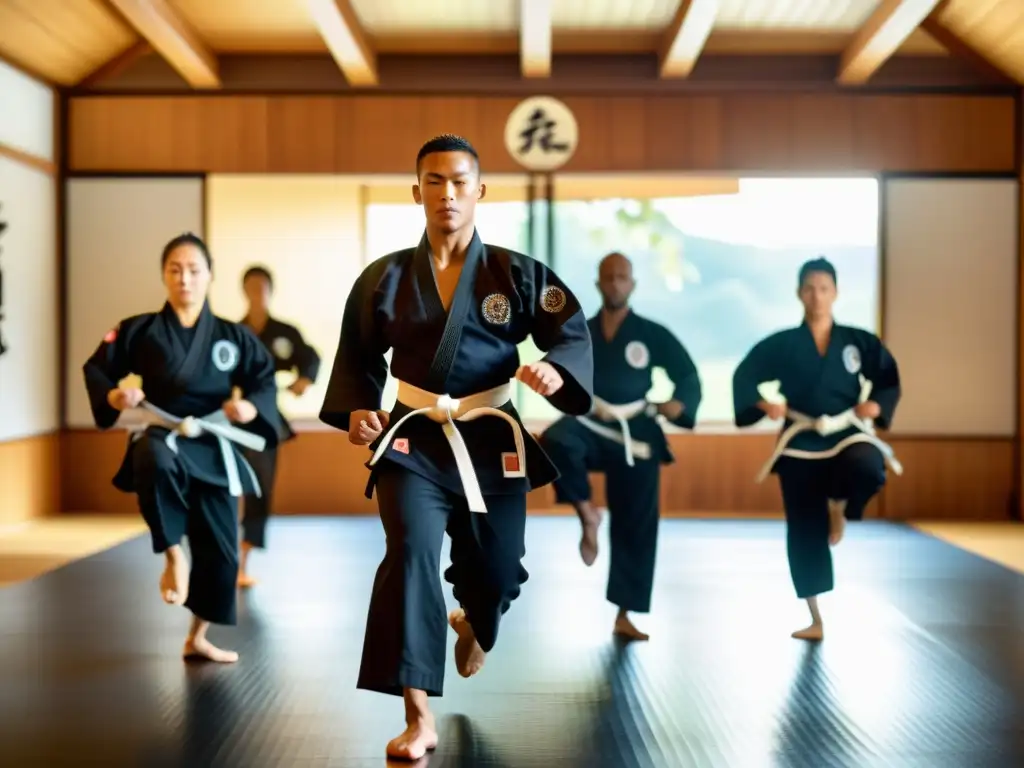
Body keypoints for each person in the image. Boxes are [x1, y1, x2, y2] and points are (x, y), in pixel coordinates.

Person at [319, 134, 593, 762]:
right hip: (413, 436)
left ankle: (477, 621)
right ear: (417, 192)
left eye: (460, 181)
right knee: (409, 553)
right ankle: (419, 715)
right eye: (435, 181)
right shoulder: (383, 277)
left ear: (480, 191)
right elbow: (357, 360)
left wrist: (556, 370)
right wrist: (361, 408)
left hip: (492, 434)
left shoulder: (516, 273)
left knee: (497, 572)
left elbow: (567, 329)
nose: (447, 193)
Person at [82, 232, 281, 663]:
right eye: (175, 270)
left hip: (212, 441)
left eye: (193, 270)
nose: (184, 279)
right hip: (163, 433)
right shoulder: (139, 330)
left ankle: (198, 636)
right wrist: (117, 397)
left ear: (209, 276)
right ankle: (173, 553)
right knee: (151, 458)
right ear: (163, 276)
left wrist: (248, 405)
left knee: (223, 549)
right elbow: (99, 369)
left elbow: (263, 378)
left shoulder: (232, 335)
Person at [732, 257, 902, 641]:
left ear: (836, 293)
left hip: (846, 432)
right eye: (809, 288)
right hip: (801, 437)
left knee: (869, 466)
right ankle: (815, 616)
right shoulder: (784, 344)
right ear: (798, 293)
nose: (817, 296)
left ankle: (841, 506)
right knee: (803, 523)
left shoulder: (857, 341)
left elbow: (887, 378)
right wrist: (763, 404)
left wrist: (875, 404)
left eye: (824, 288)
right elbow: (746, 375)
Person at [539, 252, 702, 641]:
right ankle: (587, 513)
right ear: (598, 284)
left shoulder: (651, 333)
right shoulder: (581, 331)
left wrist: (679, 401)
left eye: (622, 277)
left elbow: (687, 374)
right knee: (555, 440)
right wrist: (550, 380)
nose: (614, 283)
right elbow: (556, 370)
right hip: (591, 423)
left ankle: (625, 613)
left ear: (632, 284)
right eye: (608, 277)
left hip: (637, 429)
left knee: (636, 522)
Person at [237, 265, 321, 587]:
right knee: (225, 487)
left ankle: (244, 561)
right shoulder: (234, 331)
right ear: (243, 290)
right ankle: (224, 556)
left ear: (270, 290)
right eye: (252, 286)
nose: (257, 291)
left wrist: (304, 380)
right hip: (230, 417)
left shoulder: (284, 331)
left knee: (259, 486)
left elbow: (310, 357)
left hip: (266, 419)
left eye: (262, 286)